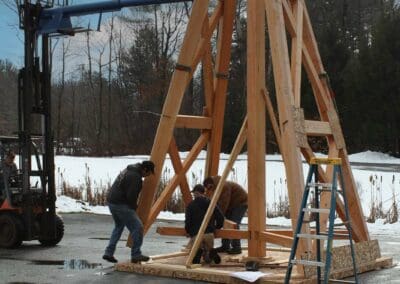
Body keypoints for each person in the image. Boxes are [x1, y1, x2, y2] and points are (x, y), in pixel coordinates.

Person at [103, 160, 155, 264]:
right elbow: (131, 196)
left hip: (112, 202)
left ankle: (108, 253)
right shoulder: (135, 177)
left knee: (119, 226)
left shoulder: (128, 169)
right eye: (149, 173)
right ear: (144, 169)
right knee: (138, 227)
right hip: (121, 204)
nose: (148, 175)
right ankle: (136, 254)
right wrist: (134, 208)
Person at [203, 176, 248, 255]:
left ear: (211, 185)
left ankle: (237, 248)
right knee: (225, 223)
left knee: (234, 224)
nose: (208, 190)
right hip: (232, 204)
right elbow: (214, 202)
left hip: (241, 203)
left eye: (209, 188)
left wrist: (218, 216)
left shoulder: (224, 186)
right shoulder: (215, 188)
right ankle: (225, 246)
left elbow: (224, 204)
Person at [185, 184, 224, 264]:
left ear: (196, 193)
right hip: (209, 233)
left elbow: (188, 221)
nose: (193, 195)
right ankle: (211, 253)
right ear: (204, 193)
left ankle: (198, 253)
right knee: (208, 253)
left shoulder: (191, 205)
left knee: (195, 251)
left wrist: (188, 231)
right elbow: (220, 217)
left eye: (194, 193)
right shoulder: (210, 203)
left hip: (196, 234)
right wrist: (217, 227)